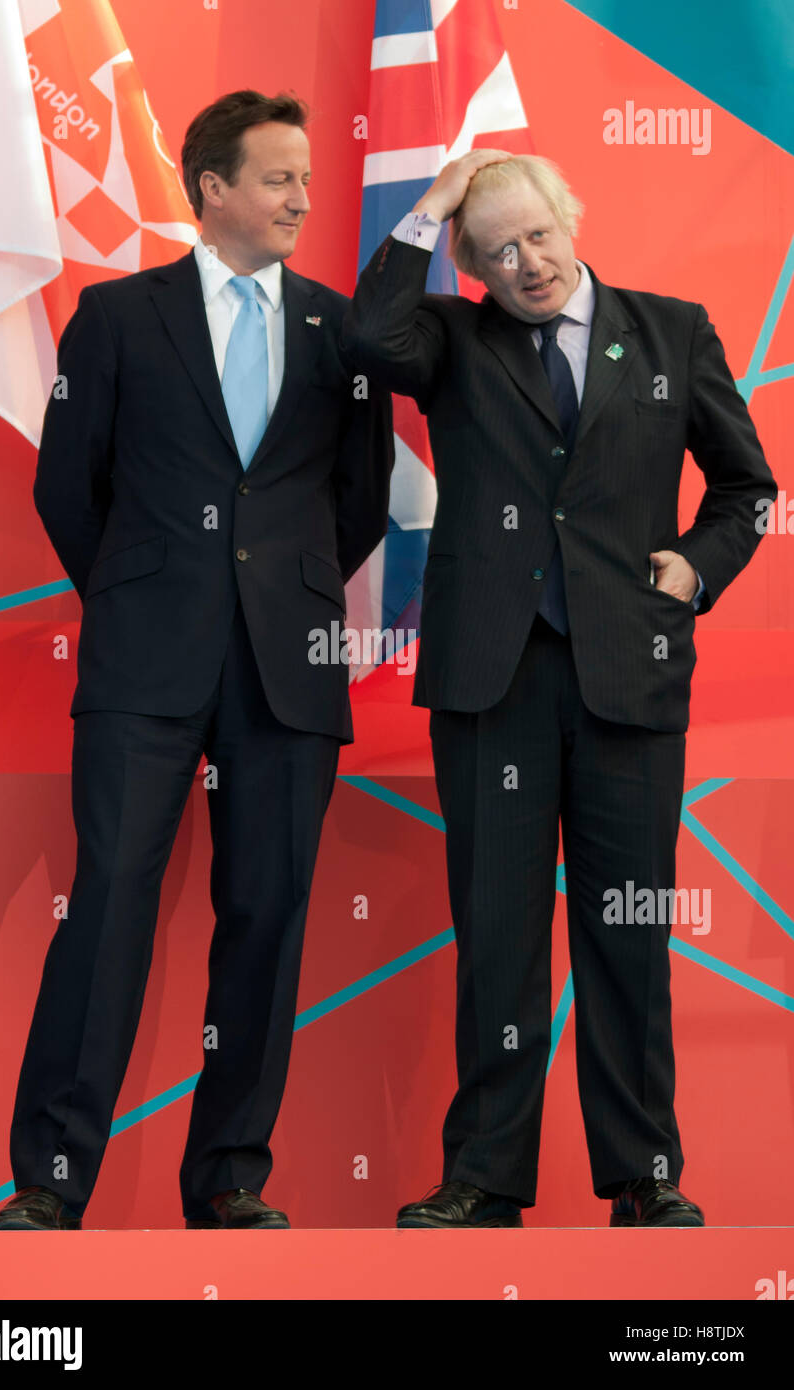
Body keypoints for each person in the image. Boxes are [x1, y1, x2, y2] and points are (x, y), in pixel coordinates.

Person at [342, 150, 775, 1228]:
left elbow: (744, 486)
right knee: (495, 931)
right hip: (491, 681)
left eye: (536, 234)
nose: (524, 262)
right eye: (493, 250)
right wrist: (433, 205)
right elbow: (366, 336)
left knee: (626, 930)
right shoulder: (448, 339)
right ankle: (484, 1176)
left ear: (568, 218)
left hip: (626, 672)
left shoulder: (670, 329)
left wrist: (696, 567)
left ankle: (643, 1173)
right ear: (471, 265)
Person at [0, 89, 393, 1232]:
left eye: (307, 179)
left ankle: (228, 1178)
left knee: (267, 913)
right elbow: (70, 488)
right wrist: (145, 590)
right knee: (107, 902)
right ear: (210, 188)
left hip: (289, 665)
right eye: (277, 178)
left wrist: (280, 590)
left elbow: (354, 502)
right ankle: (48, 1183)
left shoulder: (338, 331)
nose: (301, 199)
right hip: (144, 661)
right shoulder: (115, 317)